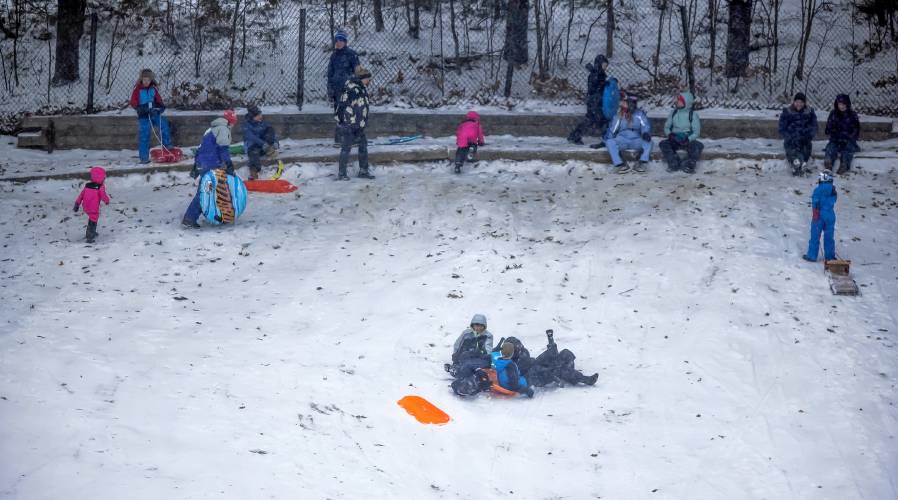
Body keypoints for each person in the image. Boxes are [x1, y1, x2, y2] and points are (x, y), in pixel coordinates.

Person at [182, 110, 238, 228]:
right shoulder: (223, 129)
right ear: (230, 122)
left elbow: (201, 148)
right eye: (233, 123)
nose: (233, 126)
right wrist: (228, 164)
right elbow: (223, 149)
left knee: (211, 190)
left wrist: (197, 166)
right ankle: (189, 218)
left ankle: (218, 214)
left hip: (204, 163)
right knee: (205, 192)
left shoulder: (211, 129)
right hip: (210, 164)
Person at [567, 55, 618, 146]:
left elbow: (603, 86)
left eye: (606, 65)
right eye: (604, 65)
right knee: (595, 120)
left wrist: (609, 82)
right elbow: (594, 88)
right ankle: (606, 138)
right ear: (599, 64)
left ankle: (575, 135)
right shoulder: (594, 74)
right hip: (594, 102)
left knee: (597, 120)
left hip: (597, 102)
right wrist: (604, 84)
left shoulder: (599, 73)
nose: (605, 67)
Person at [335, 65, 374, 180]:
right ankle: (342, 173)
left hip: (358, 125)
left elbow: (362, 107)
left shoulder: (361, 88)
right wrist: (350, 124)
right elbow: (345, 108)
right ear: (363, 79)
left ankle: (363, 170)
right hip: (350, 125)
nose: (369, 81)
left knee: (363, 146)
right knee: (346, 148)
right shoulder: (352, 90)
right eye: (368, 79)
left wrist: (361, 123)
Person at [525, 330, 598, 387]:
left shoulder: (537, 360)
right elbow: (542, 380)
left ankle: (568, 368)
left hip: (553, 364)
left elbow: (551, 352)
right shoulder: (533, 372)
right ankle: (587, 380)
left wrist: (550, 340)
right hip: (553, 372)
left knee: (565, 353)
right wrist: (556, 379)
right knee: (564, 371)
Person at [129, 69, 173, 164]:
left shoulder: (153, 89)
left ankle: (167, 146)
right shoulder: (137, 89)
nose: (146, 82)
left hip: (154, 113)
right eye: (144, 80)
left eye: (148, 80)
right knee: (144, 134)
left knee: (164, 125)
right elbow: (133, 102)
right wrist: (140, 108)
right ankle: (144, 157)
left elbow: (159, 100)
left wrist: (161, 107)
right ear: (141, 79)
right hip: (144, 115)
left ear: (151, 80)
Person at [327, 29, 360, 144]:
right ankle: (339, 138)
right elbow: (330, 74)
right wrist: (330, 89)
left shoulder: (351, 54)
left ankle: (354, 138)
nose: (338, 42)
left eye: (341, 40)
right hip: (337, 90)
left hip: (349, 89)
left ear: (345, 42)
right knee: (339, 114)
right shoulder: (333, 56)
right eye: (337, 40)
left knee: (351, 113)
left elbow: (358, 72)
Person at [605, 94, 652, 174]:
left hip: (636, 139)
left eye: (634, 103)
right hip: (622, 139)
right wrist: (606, 139)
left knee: (649, 143)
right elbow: (613, 129)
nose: (632, 105)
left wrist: (645, 133)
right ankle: (620, 164)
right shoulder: (620, 114)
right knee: (610, 142)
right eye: (629, 103)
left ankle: (641, 163)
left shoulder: (639, 114)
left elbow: (645, 125)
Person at [658, 91, 703, 174]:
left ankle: (689, 164)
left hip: (687, 139)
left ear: (686, 103)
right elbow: (667, 127)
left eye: (680, 100)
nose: (677, 102)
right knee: (663, 144)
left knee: (697, 146)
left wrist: (688, 139)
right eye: (678, 100)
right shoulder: (673, 113)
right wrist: (670, 135)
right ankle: (673, 162)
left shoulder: (692, 115)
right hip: (674, 138)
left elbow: (696, 132)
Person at [778, 92, 818, 176]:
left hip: (805, 137)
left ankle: (799, 164)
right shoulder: (788, 112)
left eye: (801, 102)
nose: (799, 104)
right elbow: (782, 127)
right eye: (797, 102)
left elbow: (814, 125)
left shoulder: (809, 112)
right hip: (792, 137)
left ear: (804, 103)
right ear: (794, 102)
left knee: (805, 150)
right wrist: (788, 136)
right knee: (791, 149)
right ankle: (797, 163)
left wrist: (810, 134)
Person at [803, 169, 837, 262]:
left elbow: (815, 201)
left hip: (819, 215)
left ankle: (812, 255)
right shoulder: (833, 190)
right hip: (830, 215)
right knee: (829, 236)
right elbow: (833, 200)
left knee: (815, 235)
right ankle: (830, 256)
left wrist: (815, 212)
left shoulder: (818, 190)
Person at [446, 313, 493, 378]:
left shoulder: (487, 336)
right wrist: (455, 354)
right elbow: (458, 344)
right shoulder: (466, 333)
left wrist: (483, 353)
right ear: (473, 325)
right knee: (463, 359)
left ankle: (465, 372)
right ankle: (455, 368)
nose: (478, 328)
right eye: (476, 325)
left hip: (478, 358)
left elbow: (488, 349)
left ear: (484, 326)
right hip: (465, 354)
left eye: (481, 326)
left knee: (470, 366)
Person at [824, 94, 860, 175]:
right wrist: (835, 133)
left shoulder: (852, 115)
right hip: (836, 139)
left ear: (848, 104)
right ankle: (828, 164)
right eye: (840, 104)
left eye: (844, 104)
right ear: (837, 104)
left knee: (848, 150)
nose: (842, 106)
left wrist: (848, 136)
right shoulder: (833, 114)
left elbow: (856, 130)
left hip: (848, 139)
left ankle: (844, 165)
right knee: (830, 148)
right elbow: (828, 129)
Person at [73, 166, 111, 243]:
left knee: (92, 218)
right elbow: (103, 196)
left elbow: (81, 195)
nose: (104, 180)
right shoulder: (100, 187)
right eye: (103, 178)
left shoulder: (87, 185)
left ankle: (92, 232)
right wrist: (107, 201)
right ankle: (90, 236)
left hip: (86, 206)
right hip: (93, 208)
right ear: (100, 178)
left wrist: (77, 204)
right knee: (93, 220)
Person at [242, 105, 279, 180]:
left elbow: (272, 133)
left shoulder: (263, 122)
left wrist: (275, 142)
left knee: (270, 129)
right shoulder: (246, 125)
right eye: (258, 115)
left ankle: (270, 150)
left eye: (260, 114)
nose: (260, 116)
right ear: (252, 117)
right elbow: (252, 137)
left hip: (265, 147)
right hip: (253, 147)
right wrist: (263, 144)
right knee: (254, 154)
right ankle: (253, 172)